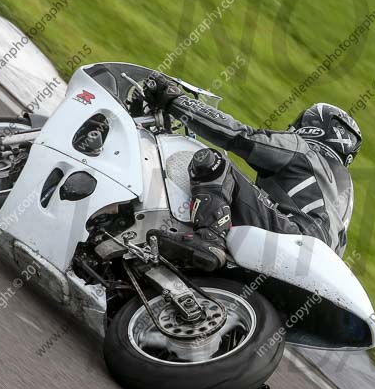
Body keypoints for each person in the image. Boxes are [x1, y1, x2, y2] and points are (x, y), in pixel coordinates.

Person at [141, 73, 362, 272]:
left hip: (291, 238)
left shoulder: (305, 150)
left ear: (311, 126)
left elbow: (238, 136)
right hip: (315, 270)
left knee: (214, 162)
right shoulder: (344, 194)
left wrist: (175, 101)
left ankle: (210, 238)